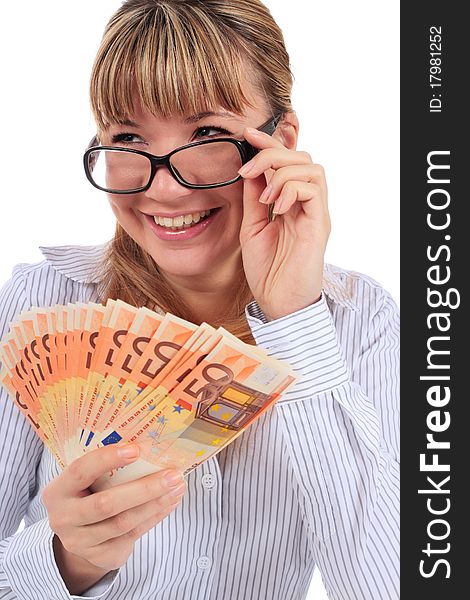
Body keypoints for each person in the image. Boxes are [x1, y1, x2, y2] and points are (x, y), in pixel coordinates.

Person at [0, 1, 399, 599]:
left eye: (207, 133)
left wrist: (296, 320)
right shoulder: (43, 300)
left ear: (280, 142)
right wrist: (66, 560)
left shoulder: (361, 322)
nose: (161, 186)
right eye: (127, 137)